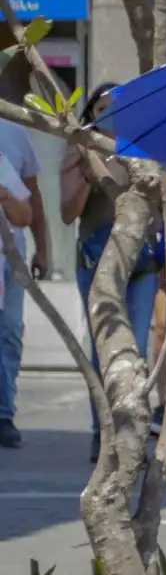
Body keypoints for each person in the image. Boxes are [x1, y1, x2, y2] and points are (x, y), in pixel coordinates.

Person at [60, 83, 160, 463]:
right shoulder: (77, 152)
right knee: (102, 349)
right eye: (102, 109)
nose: (111, 115)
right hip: (96, 263)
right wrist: (88, 172)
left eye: (120, 107)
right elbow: (67, 214)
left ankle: (132, 431)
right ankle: (102, 430)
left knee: (133, 350)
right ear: (91, 115)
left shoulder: (144, 150)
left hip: (142, 264)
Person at [0, 117, 47, 449]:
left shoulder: (14, 132)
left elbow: (30, 203)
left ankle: (3, 414)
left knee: (10, 330)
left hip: (10, 253)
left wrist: (43, 248)